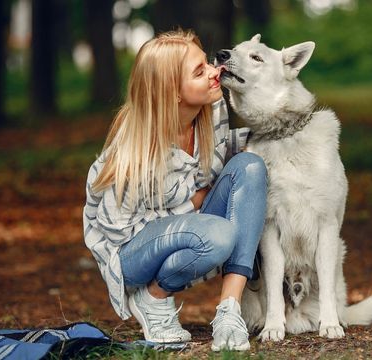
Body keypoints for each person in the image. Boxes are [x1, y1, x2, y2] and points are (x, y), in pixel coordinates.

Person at [82, 30, 267, 351]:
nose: (215, 71)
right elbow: (117, 233)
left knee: (251, 166)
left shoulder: (213, 110)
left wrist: (281, 136)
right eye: (199, 72)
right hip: (129, 254)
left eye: (206, 63)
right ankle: (153, 297)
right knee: (218, 233)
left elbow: (226, 160)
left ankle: (229, 311)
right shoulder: (136, 146)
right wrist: (197, 202)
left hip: (190, 227)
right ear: (173, 93)